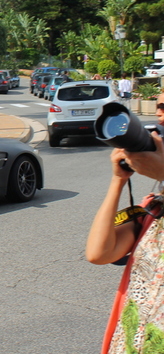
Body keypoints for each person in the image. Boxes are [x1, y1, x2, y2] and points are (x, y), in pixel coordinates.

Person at [86, 92, 164, 353]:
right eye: (159, 106)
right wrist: (118, 181)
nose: (159, 113)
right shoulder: (153, 211)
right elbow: (99, 253)